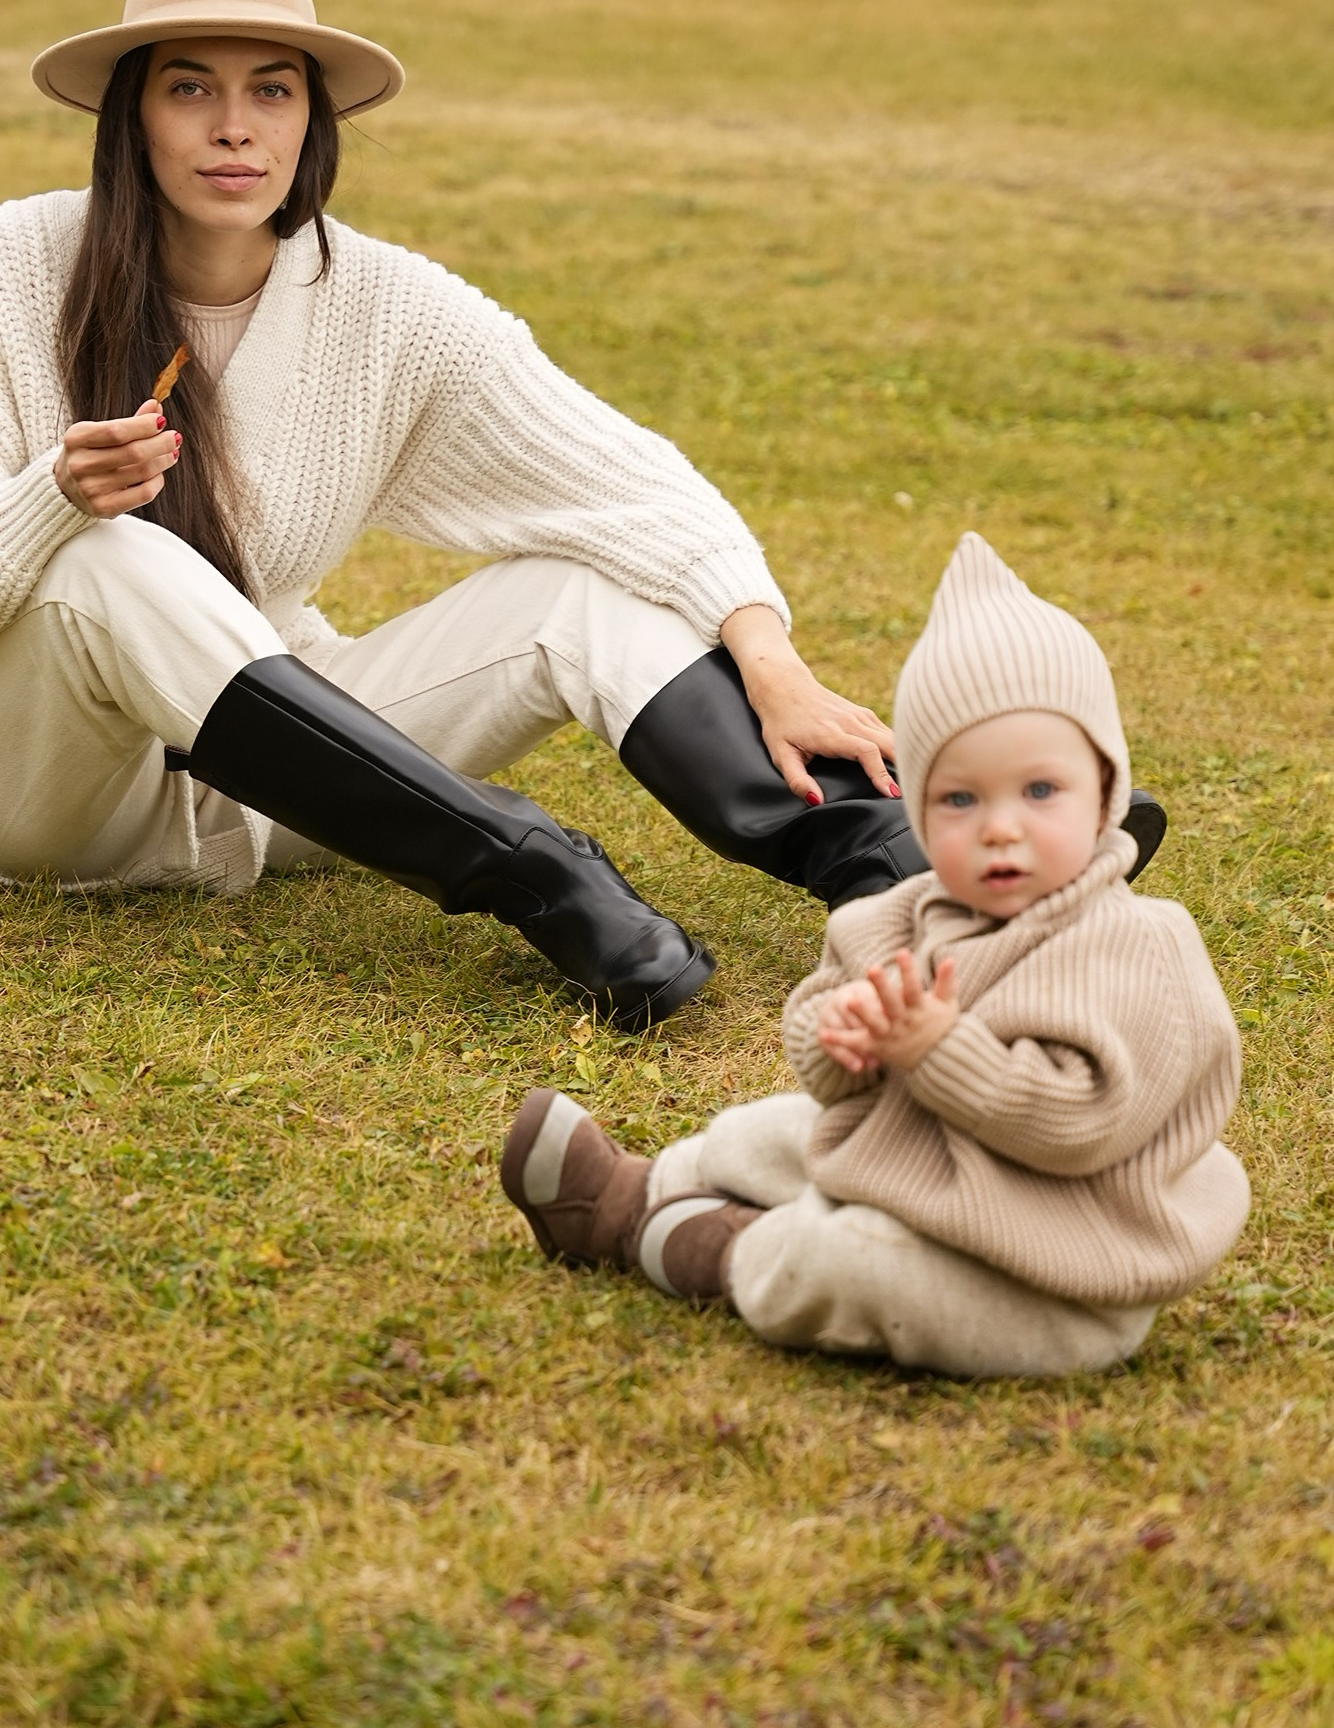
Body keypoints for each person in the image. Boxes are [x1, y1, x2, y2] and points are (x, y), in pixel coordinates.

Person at [0, 0, 940, 1030]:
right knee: (106, 554)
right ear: (132, 116)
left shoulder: (386, 305)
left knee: (575, 588)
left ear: (311, 120)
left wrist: (773, 667)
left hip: (258, 791)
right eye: (189, 89)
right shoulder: (1, 263)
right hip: (33, 796)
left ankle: (894, 873)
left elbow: (634, 489)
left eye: (272, 91)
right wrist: (51, 502)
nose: (233, 127)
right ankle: (532, 871)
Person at [500, 532, 1247, 1371]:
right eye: (959, 799)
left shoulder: (1137, 946)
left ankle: (706, 1246)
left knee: (849, 1257)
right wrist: (844, 1039)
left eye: (1040, 790)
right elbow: (823, 1044)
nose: (1000, 827)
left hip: (1063, 1261)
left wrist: (938, 1050)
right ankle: (631, 1192)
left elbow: (1082, 1126)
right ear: (916, 810)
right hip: (943, 1169)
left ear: (1105, 794)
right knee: (775, 1127)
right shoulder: (895, 918)